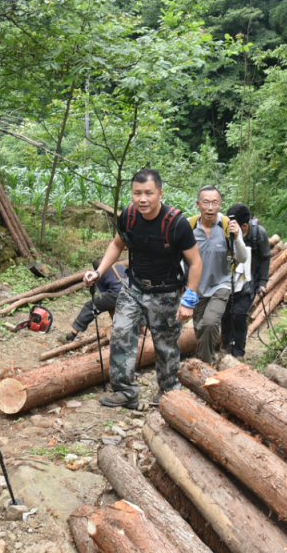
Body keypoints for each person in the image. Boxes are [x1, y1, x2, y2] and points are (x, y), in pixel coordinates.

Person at [83, 168, 202, 409]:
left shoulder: (177, 223)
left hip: (166, 292)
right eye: (137, 193)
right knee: (120, 334)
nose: (142, 199)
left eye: (149, 193)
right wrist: (99, 271)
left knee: (165, 344)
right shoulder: (129, 216)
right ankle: (125, 392)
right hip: (134, 287)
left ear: (160, 193)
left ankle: (168, 391)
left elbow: (196, 262)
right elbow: (117, 245)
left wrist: (188, 300)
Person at [189, 186, 247, 365]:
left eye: (215, 203)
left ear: (220, 204)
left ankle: (206, 364)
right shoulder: (189, 226)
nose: (210, 207)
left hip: (221, 284)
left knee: (209, 323)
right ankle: (204, 361)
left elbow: (243, 258)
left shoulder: (228, 226)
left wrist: (237, 237)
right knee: (199, 327)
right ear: (198, 204)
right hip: (196, 286)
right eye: (206, 202)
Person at [221, 204, 270, 357]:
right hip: (227, 281)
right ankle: (225, 343)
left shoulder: (258, 234)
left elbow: (265, 257)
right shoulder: (223, 231)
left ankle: (238, 351)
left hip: (249, 281)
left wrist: (262, 282)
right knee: (225, 315)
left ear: (244, 225)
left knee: (240, 316)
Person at [60, 258, 127, 344]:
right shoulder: (122, 267)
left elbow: (105, 301)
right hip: (133, 291)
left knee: (90, 306)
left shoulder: (99, 274)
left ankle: (71, 336)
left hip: (117, 293)